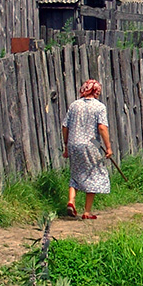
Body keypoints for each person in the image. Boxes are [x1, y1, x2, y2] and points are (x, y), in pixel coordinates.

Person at [61, 79, 113, 219]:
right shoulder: (99, 107)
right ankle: (87, 212)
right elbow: (102, 127)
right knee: (94, 174)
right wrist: (108, 147)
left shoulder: (74, 105)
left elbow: (65, 127)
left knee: (76, 173)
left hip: (74, 143)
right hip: (91, 144)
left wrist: (66, 145)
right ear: (97, 91)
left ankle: (71, 201)